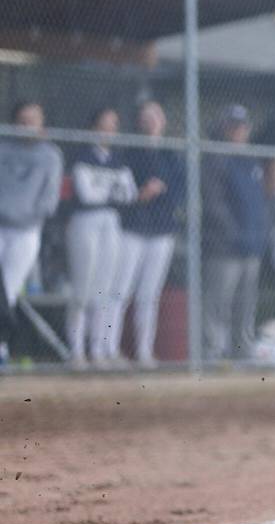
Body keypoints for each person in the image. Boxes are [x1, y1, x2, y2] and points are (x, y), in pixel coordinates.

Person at [108, 100, 185, 368]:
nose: (151, 120)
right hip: (132, 229)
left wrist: (159, 192)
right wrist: (142, 195)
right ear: (139, 122)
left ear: (163, 121)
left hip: (161, 231)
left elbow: (178, 192)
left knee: (149, 295)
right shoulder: (130, 152)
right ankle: (108, 350)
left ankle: (144, 352)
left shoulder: (172, 155)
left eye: (156, 115)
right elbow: (124, 191)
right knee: (120, 290)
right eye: (146, 116)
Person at [65, 107, 138, 368]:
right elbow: (86, 194)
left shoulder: (118, 158)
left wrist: (105, 190)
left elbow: (129, 195)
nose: (109, 130)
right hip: (85, 221)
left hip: (111, 222)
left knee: (105, 288)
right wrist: (111, 190)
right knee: (83, 286)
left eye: (113, 124)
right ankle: (76, 350)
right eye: (104, 124)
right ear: (93, 127)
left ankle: (98, 349)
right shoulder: (81, 155)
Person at [201, 104, 269, 360]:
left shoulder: (251, 159)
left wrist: (258, 233)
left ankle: (242, 349)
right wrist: (233, 232)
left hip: (251, 244)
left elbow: (261, 201)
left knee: (246, 302)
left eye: (242, 126)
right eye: (233, 126)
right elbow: (213, 202)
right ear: (223, 128)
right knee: (219, 301)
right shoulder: (216, 157)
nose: (239, 131)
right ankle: (212, 351)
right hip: (225, 246)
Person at [0, 102, 63, 364]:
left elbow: (49, 201)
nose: (27, 125)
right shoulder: (3, 149)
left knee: (10, 290)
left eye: (33, 120)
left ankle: (1, 347)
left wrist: (23, 216)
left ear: (42, 124)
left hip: (26, 232)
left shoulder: (50, 155)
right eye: (23, 120)